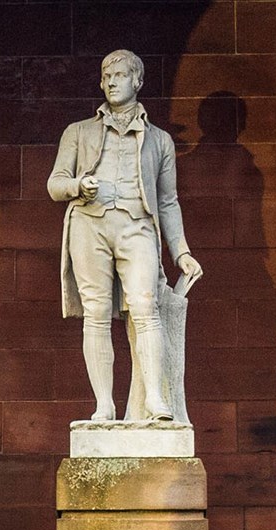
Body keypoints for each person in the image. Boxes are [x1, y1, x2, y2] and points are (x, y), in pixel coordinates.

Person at [48, 49, 202, 421]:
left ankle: (155, 400)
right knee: (96, 314)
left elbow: (168, 201)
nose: (112, 82)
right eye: (107, 76)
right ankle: (104, 405)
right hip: (90, 225)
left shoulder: (160, 140)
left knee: (146, 309)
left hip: (138, 227)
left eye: (120, 75)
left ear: (138, 81)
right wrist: (77, 186)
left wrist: (180, 251)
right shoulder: (79, 132)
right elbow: (55, 185)